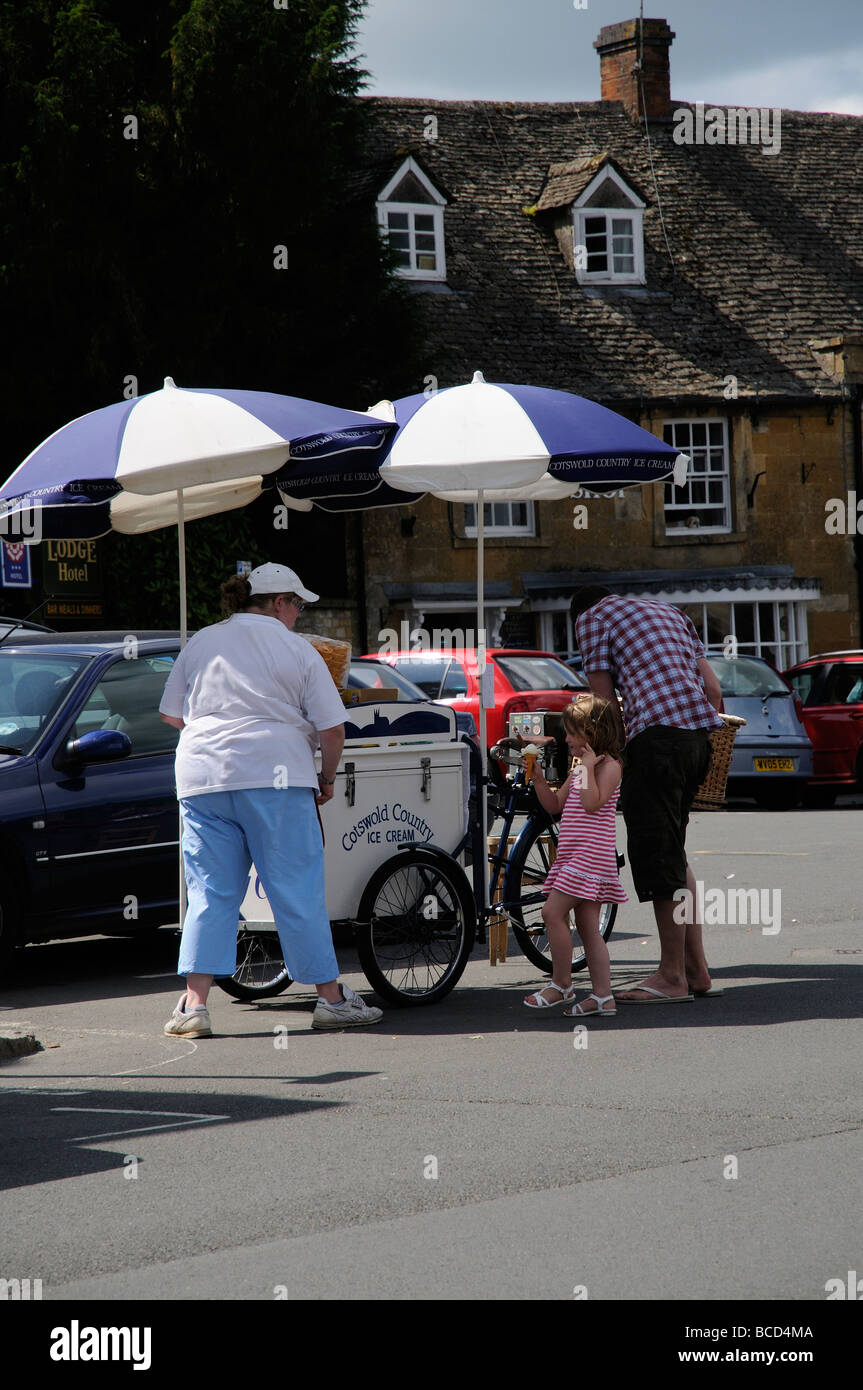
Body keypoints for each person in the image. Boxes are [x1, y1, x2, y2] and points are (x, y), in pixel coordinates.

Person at [158, 562, 383, 1035]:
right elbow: (333, 728)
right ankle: (331, 998)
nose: (299, 614)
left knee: (210, 892)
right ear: (278, 602)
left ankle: (193, 1006)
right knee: (294, 888)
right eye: (297, 604)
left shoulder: (201, 640)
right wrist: (325, 777)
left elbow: (172, 715)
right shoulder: (297, 649)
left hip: (202, 776)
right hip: (275, 775)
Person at [571, 586, 724, 1005]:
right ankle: (696, 969)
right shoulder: (671, 613)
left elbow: (604, 707)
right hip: (697, 741)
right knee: (674, 854)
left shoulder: (592, 618)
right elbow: (713, 692)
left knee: (657, 856)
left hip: (656, 744)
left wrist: (608, 757)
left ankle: (671, 977)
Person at [522, 695, 628, 1018]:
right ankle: (602, 996)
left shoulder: (610, 767)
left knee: (552, 913)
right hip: (573, 856)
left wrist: (588, 768)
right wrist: (539, 779)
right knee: (586, 926)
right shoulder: (582, 767)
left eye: (572, 732)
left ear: (592, 733)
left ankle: (562, 983)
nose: (566, 739)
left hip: (589, 859)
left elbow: (592, 802)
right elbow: (555, 805)